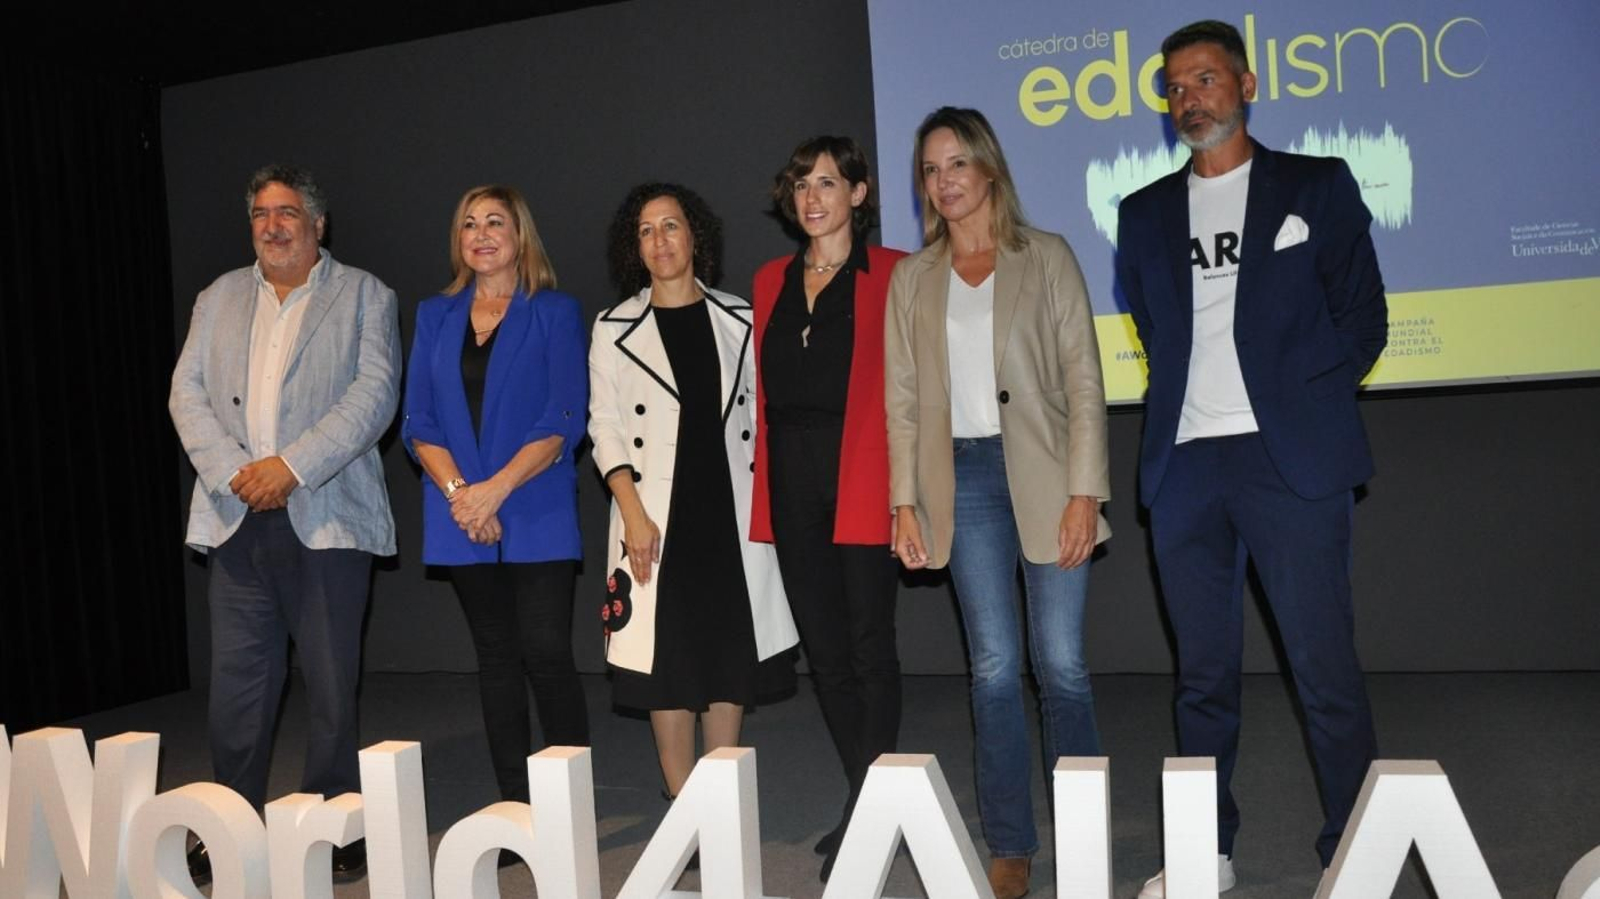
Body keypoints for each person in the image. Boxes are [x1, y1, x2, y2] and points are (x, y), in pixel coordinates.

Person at [1115, 20, 1387, 897]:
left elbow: (1363, 317)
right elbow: (1158, 330)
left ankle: (1355, 846)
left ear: (1247, 83)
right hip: (1188, 465)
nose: (1191, 97)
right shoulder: (1143, 211)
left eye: (1206, 79)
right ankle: (1206, 850)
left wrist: (1304, 405)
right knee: (1201, 677)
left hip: (1291, 465)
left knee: (1324, 668)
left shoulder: (1317, 184)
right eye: (1176, 87)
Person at [885, 107, 1111, 899]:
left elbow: (1085, 380)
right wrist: (903, 502)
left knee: (1063, 666)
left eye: (955, 164)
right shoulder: (913, 279)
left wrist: (1087, 490)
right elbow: (903, 402)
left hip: (1050, 477)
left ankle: (1083, 834)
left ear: (988, 168)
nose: (942, 182)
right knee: (992, 668)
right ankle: (1011, 843)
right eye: (929, 169)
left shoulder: (1044, 256)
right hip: (963, 483)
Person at [169, 164, 400, 884]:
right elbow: (186, 393)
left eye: (288, 213)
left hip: (326, 517)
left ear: (317, 225)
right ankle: (229, 821)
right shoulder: (218, 297)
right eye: (261, 214)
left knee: (332, 683)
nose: (272, 226)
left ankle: (339, 820)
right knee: (237, 686)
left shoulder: (365, 294)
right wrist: (236, 470)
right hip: (235, 514)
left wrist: (291, 467)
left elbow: (373, 395)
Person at [588, 182, 800, 802]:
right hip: (654, 514)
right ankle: (684, 806)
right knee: (667, 664)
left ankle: (723, 798)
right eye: (647, 230)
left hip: (730, 511)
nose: (660, 241)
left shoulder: (742, 317)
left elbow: (764, 418)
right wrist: (632, 513)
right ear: (636, 247)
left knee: (730, 656)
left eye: (671, 226)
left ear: (695, 235)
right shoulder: (613, 327)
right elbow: (605, 426)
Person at [401, 185, 590, 811]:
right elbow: (418, 422)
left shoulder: (555, 310)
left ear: (520, 235)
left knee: (547, 653)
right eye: (468, 225)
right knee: (496, 658)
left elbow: (565, 415)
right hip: (459, 512)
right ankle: (516, 803)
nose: (481, 234)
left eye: (495, 223)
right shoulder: (435, 314)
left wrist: (495, 492)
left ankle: (569, 803)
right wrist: (463, 498)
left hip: (535, 506)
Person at [750, 136, 906, 880]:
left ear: (859, 193)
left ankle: (872, 811)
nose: (811, 197)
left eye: (827, 183)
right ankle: (865, 796)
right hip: (791, 477)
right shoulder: (769, 278)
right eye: (800, 185)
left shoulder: (896, 274)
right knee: (826, 651)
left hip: (864, 469)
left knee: (870, 643)